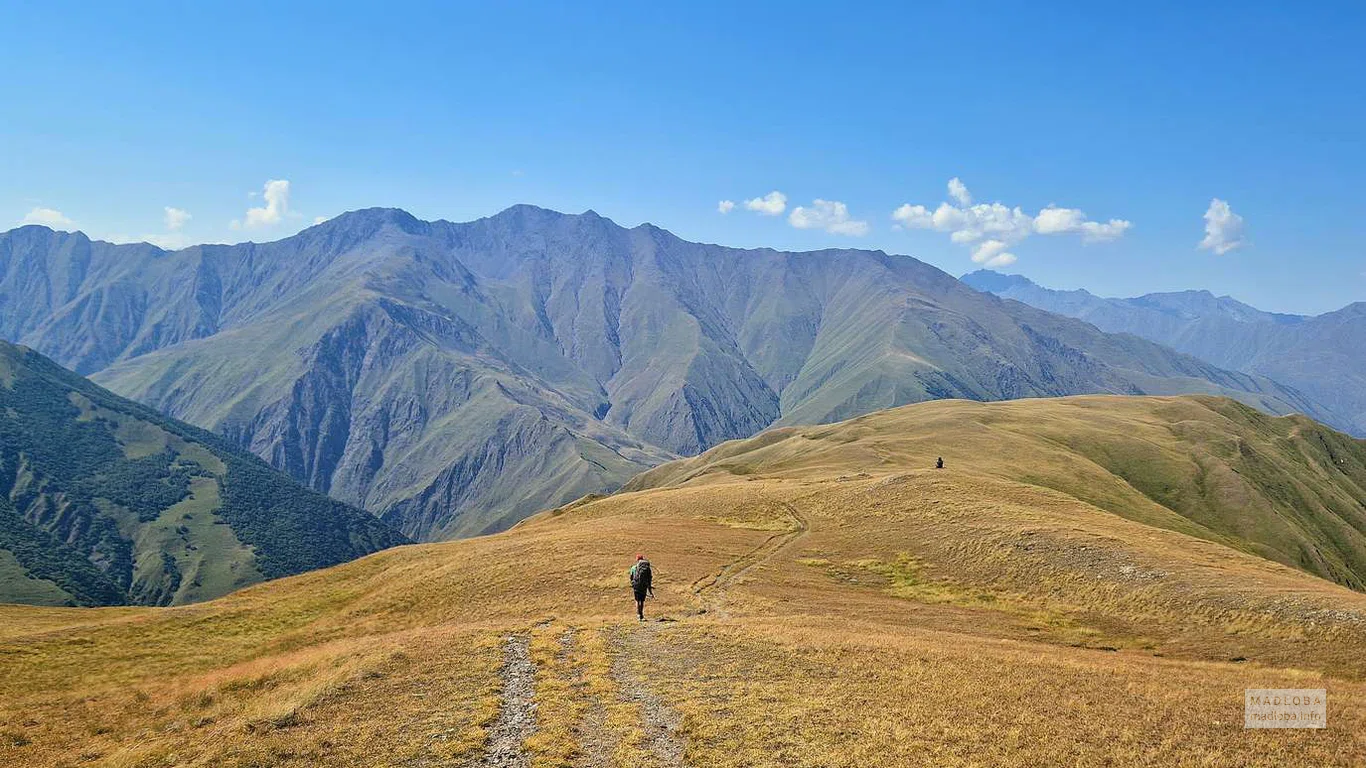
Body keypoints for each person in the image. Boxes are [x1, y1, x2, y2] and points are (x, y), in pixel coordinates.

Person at [629, 554, 654, 621]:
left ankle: (638, 615)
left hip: (636, 586)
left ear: (637, 559)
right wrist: (650, 591)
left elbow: (631, 577)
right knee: (642, 601)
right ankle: (642, 615)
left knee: (637, 600)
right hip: (644, 586)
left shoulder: (634, 568)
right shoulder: (647, 568)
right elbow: (649, 578)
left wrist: (632, 584)